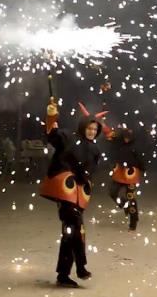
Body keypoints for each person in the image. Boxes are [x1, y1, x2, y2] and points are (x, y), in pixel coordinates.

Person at [40, 98, 100, 287]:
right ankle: (80, 267)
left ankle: (63, 275)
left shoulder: (95, 149)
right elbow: (52, 135)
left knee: (70, 233)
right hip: (65, 194)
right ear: (83, 127)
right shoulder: (68, 137)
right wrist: (51, 116)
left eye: (95, 129)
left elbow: (90, 171)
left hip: (78, 196)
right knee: (76, 227)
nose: (92, 131)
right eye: (90, 128)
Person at [102, 117, 146, 230]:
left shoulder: (137, 145)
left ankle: (133, 221)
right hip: (119, 172)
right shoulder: (118, 140)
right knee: (112, 192)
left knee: (131, 198)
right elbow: (108, 133)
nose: (127, 139)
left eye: (129, 137)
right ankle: (124, 205)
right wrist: (102, 123)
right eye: (125, 137)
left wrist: (142, 169)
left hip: (131, 174)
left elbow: (141, 159)